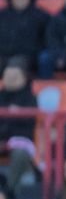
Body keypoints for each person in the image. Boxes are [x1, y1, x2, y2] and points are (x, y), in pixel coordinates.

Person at [0, 62, 37, 192]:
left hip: (20, 141)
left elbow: (30, 123)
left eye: (14, 75)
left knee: (20, 154)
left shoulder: (30, 98)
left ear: (23, 78)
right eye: (8, 75)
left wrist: (16, 114)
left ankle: (8, 192)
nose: (10, 78)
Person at [0, 0, 50, 73]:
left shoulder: (41, 16)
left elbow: (47, 40)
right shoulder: (2, 15)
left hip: (27, 57)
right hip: (2, 55)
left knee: (13, 70)